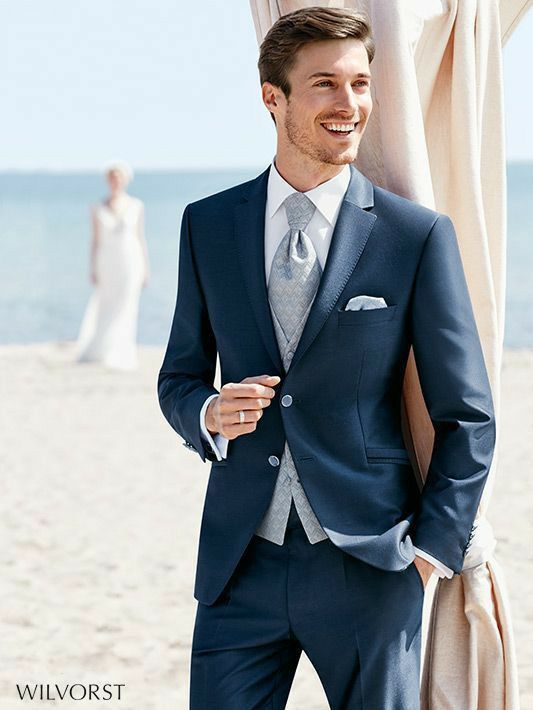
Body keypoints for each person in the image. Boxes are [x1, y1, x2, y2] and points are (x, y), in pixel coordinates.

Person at [158, 7, 496, 709]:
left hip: (371, 563)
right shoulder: (208, 225)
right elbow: (179, 378)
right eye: (324, 85)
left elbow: (467, 414)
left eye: (361, 84)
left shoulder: (413, 235)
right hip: (238, 565)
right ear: (271, 98)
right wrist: (211, 413)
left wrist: (429, 554)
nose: (350, 106)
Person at [75, 160, 149, 370]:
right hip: (106, 262)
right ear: (107, 180)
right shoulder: (97, 207)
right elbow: (95, 241)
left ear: (125, 179)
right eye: (112, 177)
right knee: (106, 304)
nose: (115, 181)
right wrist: (92, 268)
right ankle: (101, 349)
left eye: (119, 177)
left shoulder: (136, 205)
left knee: (127, 304)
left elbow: (140, 237)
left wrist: (145, 267)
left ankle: (121, 350)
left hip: (130, 261)